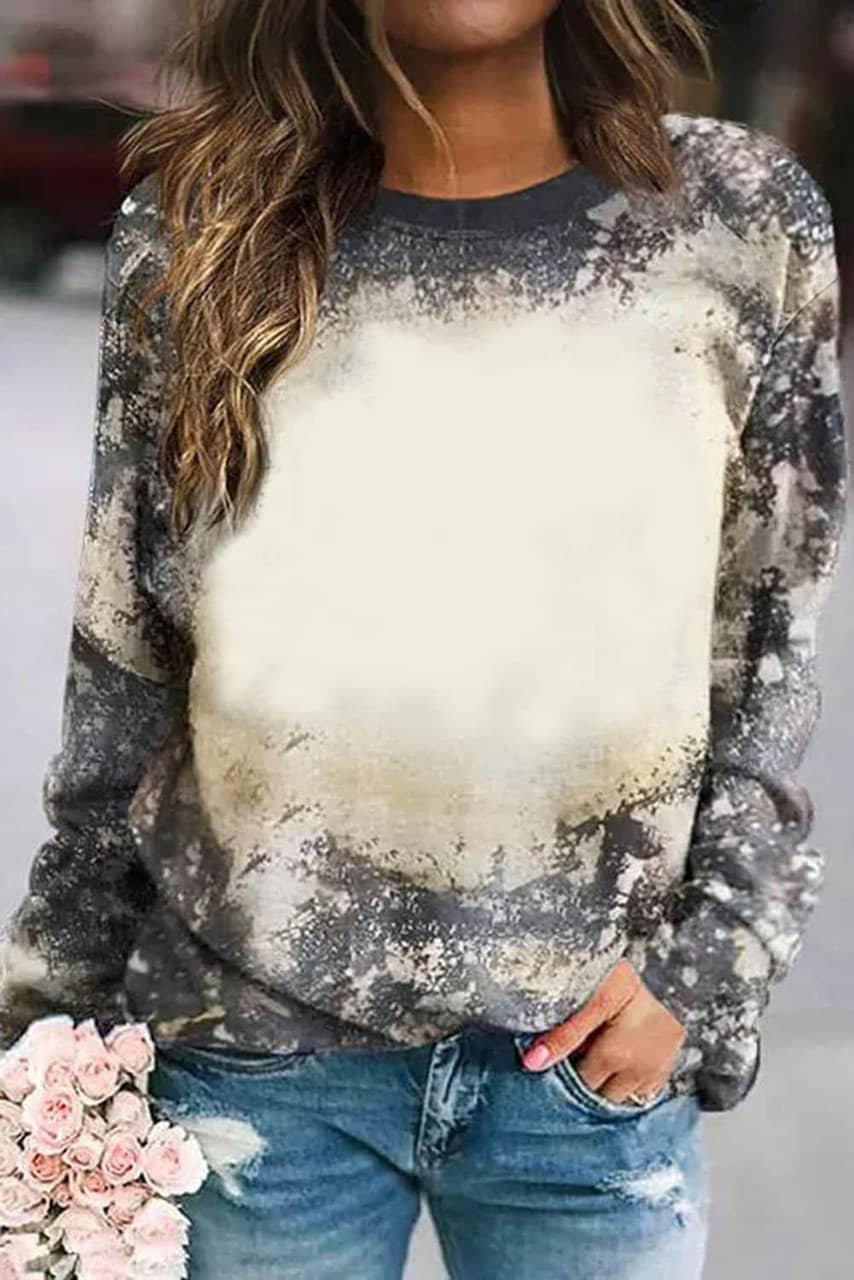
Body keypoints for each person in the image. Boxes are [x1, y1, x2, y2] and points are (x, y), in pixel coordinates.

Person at [0, 2, 848, 1276]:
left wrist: (706, 968)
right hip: (247, 1062)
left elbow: (769, 630)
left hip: (584, 1075)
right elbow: (125, 655)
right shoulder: (195, 225)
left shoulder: (735, 217)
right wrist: (48, 1020)